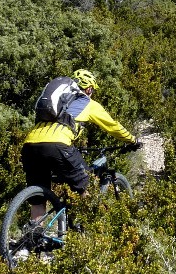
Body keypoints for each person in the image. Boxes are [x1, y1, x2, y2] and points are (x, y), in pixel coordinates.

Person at [21, 69, 137, 222]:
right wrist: (132, 140)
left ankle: (35, 235)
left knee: (38, 198)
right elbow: (113, 126)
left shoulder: (58, 103)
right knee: (88, 188)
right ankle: (91, 231)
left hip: (30, 145)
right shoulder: (88, 103)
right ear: (89, 88)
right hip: (58, 145)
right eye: (93, 90)